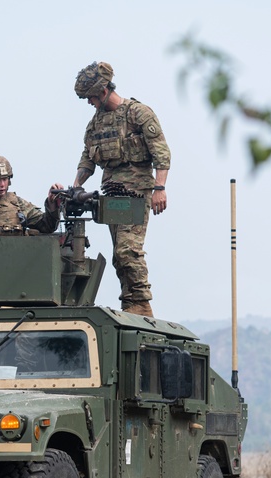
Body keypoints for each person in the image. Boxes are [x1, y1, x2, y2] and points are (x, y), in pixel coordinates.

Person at [70, 61, 171, 318]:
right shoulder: (95, 124)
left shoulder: (138, 114)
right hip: (112, 195)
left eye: (91, 97)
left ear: (103, 91)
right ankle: (131, 303)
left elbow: (161, 153)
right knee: (119, 254)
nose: (90, 102)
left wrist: (160, 187)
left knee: (128, 250)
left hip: (136, 193)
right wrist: (76, 186)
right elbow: (87, 159)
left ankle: (142, 304)